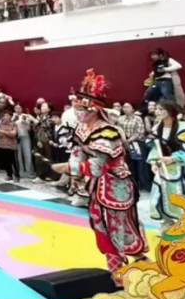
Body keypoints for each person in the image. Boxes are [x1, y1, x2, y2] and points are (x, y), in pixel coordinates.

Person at [51, 70, 149, 285]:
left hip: (115, 185)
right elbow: (79, 151)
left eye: (82, 109)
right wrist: (73, 169)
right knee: (103, 226)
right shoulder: (83, 128)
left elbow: (98, 165)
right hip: (98, 185)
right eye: (77, 109)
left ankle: (126, 272)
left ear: (94, 109)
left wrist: (69, 167)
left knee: (116, 227)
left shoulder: (108, 132)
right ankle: (128, 268)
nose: (78, 113)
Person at [147, 100, 185, 224]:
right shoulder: (156, 128)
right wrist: (154, 162)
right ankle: (169, 223)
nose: (157, 112)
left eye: (161, 109)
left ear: (171, 111)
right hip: (164, 168)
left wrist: (174, 158)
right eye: (156, 109)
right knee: (162, 195)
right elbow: (155, 148)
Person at [118, 103, 151, 192]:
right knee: (129, 164)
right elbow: (118, 130)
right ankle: (132, 184)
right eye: (124, 107)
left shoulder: (138, 118)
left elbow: (139, 132)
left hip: (136, 143)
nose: (125, 108)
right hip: (124, 143)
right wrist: (124, 140)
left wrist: (129, 140)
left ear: (133, 109)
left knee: (140, 165)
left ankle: (144, 184)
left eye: (128, 107)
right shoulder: (120, 118)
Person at [0, 109, 20, 182]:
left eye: (7, 115)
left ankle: (17, 176)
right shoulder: (1, 124)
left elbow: (13, 134)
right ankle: (9, 175)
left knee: (13, 161)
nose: (5, 117)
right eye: (4, 115)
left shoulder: (14, 124)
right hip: (2, 145)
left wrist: (3, 132)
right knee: (6, 161)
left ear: (11, 116)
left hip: (11, 146)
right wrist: (7, 133)